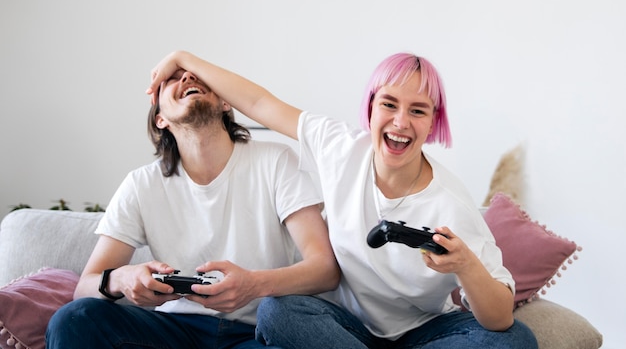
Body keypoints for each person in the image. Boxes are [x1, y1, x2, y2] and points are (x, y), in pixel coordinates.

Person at [147, 51, 539, 349]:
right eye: (389, 104)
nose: (401, 122)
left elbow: (499, 318)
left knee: (517, 340)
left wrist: (466, 266)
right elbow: (261, 104)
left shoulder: (451, 203)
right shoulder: (339, 147)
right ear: (370, 108)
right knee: (277, 312)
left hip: (424, 332)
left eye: (418, 111)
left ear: (433, 123)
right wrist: (183, 58)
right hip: (341, 328)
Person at [46, 69, 340, 349]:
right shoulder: (141, 183)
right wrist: (122, 279)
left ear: (226, 101)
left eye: (199, 76)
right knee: (74, 319)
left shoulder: (276, 161)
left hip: (254, 333)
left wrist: (253, 285)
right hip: (172, 329)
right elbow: (84, 287)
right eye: (173, 78)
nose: (187, 76)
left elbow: (325, 269)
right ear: (160, 118)